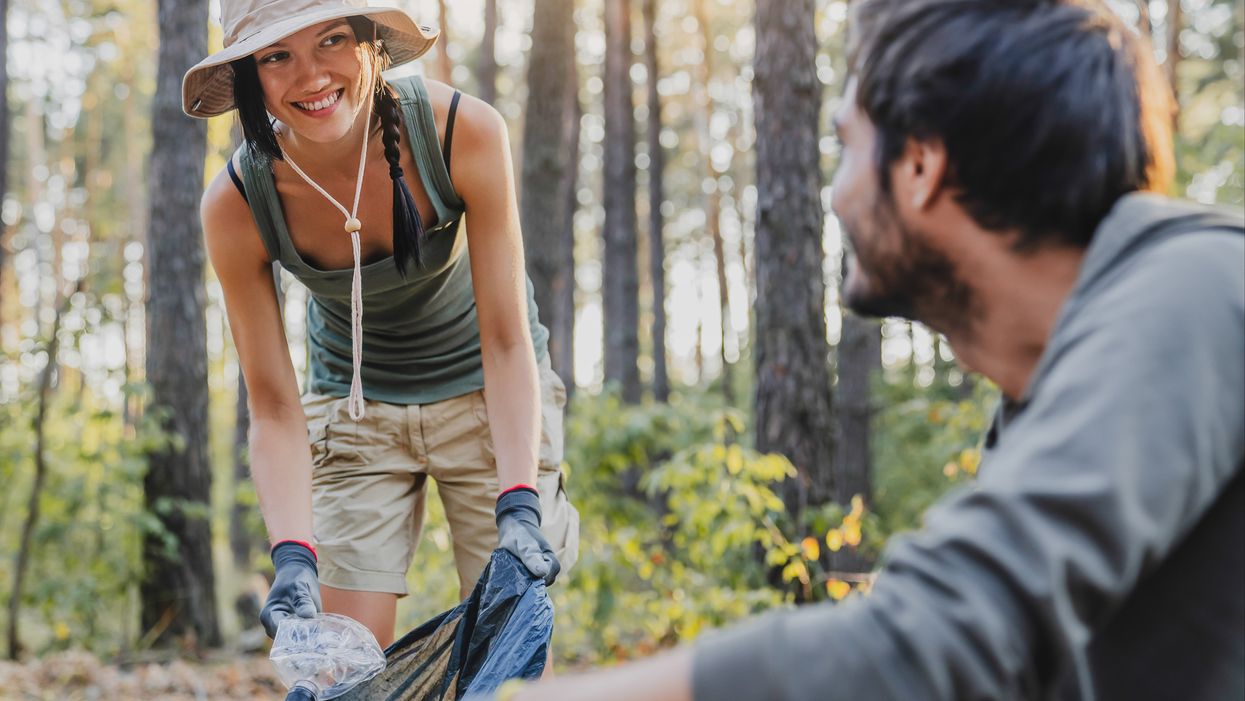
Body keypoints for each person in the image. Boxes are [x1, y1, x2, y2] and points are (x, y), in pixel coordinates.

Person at [484, 0, 1245, 699]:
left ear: (919, 164)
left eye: (846, 143)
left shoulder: (1198, 286)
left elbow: (936, 637)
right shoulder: (1050, 387)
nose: (832, 191)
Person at [182, 0, 580, 650]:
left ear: (372, 42)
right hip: (355, 414)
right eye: (276, 55)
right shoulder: (236, 203)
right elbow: (277, 407)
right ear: (251, 75)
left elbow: (508, 342)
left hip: (489, 399)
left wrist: (519, 502)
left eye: (330, 40)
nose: (309, 76)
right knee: (347, 663)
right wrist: (292, 556)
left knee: (508, 659)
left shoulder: (461, 131)